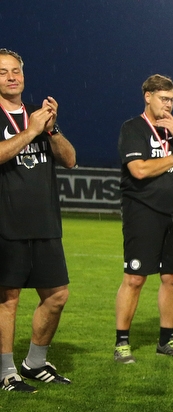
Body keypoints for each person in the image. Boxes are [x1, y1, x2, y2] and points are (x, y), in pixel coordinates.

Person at [0, 49, 76, 393]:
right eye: (3, 72)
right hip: (7, 223)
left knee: (57, 295)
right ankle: (6, 371)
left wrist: (52, 129)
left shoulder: (39, 118)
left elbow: (70, 160)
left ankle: (34, 362)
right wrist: (31, 132)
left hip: (45, 223)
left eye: (16, 71)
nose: (12, 77)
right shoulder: (25, 122)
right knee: (8, 298)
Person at [114, 74, 173, 364]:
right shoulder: (133, 128)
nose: (168, 105)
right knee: (135, 278)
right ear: (148, 96)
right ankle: (122, 343)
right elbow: (138, 170)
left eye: (172, 100)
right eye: (164, 98)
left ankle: (166, 340)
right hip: (143, 212)